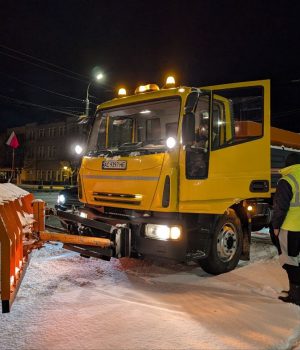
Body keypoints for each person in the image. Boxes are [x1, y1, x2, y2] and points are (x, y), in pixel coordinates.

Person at [272, 152, 300, 306]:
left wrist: (276, 226)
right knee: (298, 260)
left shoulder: (287, 180)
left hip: (290, 227)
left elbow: (280, 208)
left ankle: (296, 296)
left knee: (290, 261)